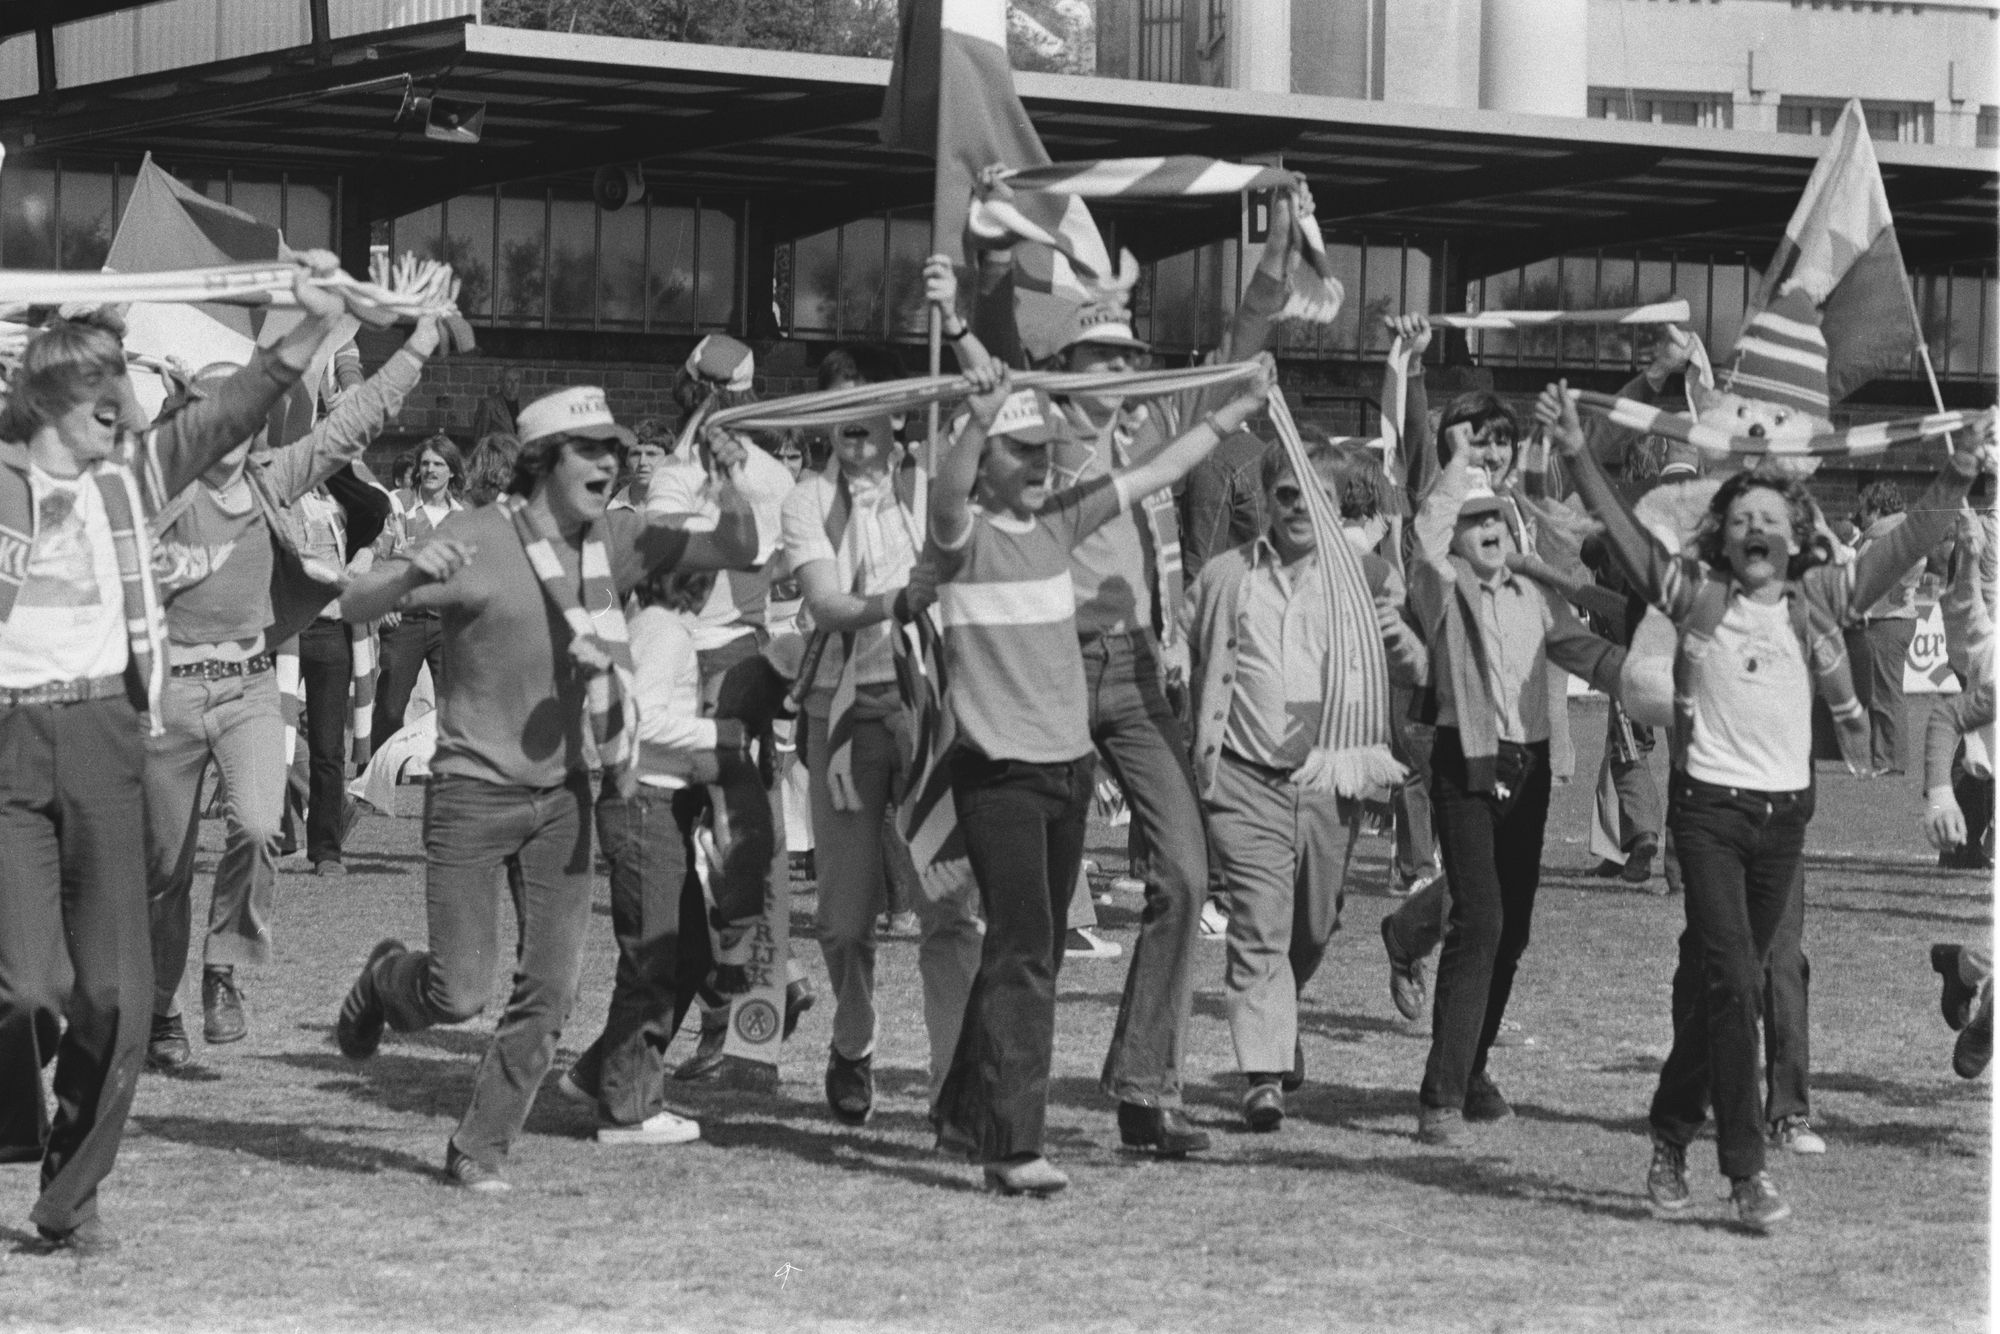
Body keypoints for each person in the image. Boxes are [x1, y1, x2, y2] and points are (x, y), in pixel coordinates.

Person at [1540, 343, 1981, 1231]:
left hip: (1783, 824)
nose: (1757, 533)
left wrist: (1960, 470)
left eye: (1772, 522)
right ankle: (1745, 1173)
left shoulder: (1820, 599)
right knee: (1734, 980)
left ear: (1794, 534)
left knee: (1730, 985)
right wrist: (1579, 454)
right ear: (1722, 532)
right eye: (1742, 521)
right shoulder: (1692, 597)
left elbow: (1910, 542)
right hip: (1707, 818)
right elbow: (1624, 534)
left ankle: (1670, 1134)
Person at [0, 254, 347, 1254]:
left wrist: (308, 325)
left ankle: (70, 1199)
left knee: (117, 994)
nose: (119, 411)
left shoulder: (136, 477)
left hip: (109, 731)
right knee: (25, 987)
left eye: (122, 396)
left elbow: (232, 410)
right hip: (9, 742)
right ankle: (17, 1128)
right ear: (41, 399)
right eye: (96, 396)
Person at [332, 385, 757, 1191]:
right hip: (470, 794)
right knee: (457, 994)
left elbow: (736, 547)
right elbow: (352, 600)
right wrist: (407, 575)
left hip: (566, 796)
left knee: (552, 992)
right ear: (542, 462)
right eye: (591, 450)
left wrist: (728, 480)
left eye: (615, 449)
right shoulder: (474, 537)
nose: (612, 461)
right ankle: (386, 979)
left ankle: (478, 1146)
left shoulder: (619, 538)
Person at [967, 182, 1306, 1161]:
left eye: (1128, 356)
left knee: (1184, 871)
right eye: (1100, 357)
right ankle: (977, 1098)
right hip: (1051, 679)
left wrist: (1280, 238)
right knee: (1027, 918)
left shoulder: (1155, 428)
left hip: (1135, 678)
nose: (1121, 369)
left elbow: (1246, 331)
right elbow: (1003, 341)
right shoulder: (1048, 439)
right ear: (1067, 368)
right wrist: (984, 261)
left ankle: (1144, 1088)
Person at [930, 354, 1276, 1197]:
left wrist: (1237, 410)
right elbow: (945, 493)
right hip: (997, 772)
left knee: (1034, 946)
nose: (1040, 460)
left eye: (1043, 448)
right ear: (985, 466)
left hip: (1065, 770)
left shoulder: (1059, 520)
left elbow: (1160, 466)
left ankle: (964, 1115)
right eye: (1021, 451)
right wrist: (979, 419)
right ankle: (1013, 1146)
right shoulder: (960, 537)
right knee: (1024, 956)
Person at [145, 315, 444, 1069]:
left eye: (252, 417)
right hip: (168, 693)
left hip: (246, 685)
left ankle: (220, 971)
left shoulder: (272, 480)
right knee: (161, 870)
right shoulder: (157, 490)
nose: (243, 430)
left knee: (255, 825)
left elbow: (353, 423)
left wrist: (417, 346)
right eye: (229, 415)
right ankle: (159, 1012)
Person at [1186, 439, 1425, 1132]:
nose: (1297, 506)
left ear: (1332, 502)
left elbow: (1412, 667)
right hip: (1243, 778)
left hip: (1330, 781)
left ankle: (1280, 1020)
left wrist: (1402, 644)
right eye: (1285, 493)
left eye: (1312, 495)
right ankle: (1262, 1076)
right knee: (1259, 922)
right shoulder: (1229, 575)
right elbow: (1189, 647)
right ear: (1266, 500)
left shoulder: (1370, 578)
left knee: (1313, 926)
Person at [1402, 415, 1625, 1152]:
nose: (1486, 526)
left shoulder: (1536, 597)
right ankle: (1441, 1093)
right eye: (1473, 522)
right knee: (1482, 921)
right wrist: (1459, 464)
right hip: (1466, 765)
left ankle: (1472, 1070)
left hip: (1526, 772)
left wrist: (1651, 678)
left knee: (1514, 929)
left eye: (1494, 516)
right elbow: (1425, 542)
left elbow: (1586, 649)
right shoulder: (1444, 590)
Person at [780, 314, 981, 1126]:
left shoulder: (934, 487)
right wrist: (900, 600)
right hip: (842, 714)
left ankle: (952, 1087)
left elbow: (989, 413)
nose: (853, 423)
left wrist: (960, 328)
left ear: (900, 413)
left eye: (869, 405)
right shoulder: (805, 500)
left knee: (948, 905)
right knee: (841, 918)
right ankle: (853, 1037)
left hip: (935, 711)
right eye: (839, 408)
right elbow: (827, 604)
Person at [555, 558, 771, 1144]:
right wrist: (718, 737)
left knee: (688, 952)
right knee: (655, 956)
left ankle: (601, 1072)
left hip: (657, 802)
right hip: (644, 801)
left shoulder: (655, 627)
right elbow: (640, 723)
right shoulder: (663, 631)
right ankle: (628, 1109)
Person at [369, 434, 464, 756]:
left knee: (453, 706)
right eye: (425, 463)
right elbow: (378, 556)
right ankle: (370, 784)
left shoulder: (463, 516)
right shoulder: (398, 504)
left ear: (452, 470)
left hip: (447, 624)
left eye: (439, 464)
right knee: (391, 708)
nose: (431, 470)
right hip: (403, 621)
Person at [1844, 479, 1923, 776]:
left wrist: (1896, 586)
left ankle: (1890, 760)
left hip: (1889, 620)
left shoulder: (1890, 535)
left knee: (1886, 694)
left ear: (1876, 510)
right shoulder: (1888, 534)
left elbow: (1911, 564)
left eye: (1864, 511)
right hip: (1887, 618)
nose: (1860, 517)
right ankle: (1884, 758)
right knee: (1881, 693)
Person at [471, 365, 522, 441]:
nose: (513, 385)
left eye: (516, 380)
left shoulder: (526, 405)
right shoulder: (489, 405)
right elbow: (480, 438)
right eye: (509, 381)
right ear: (501, 383)